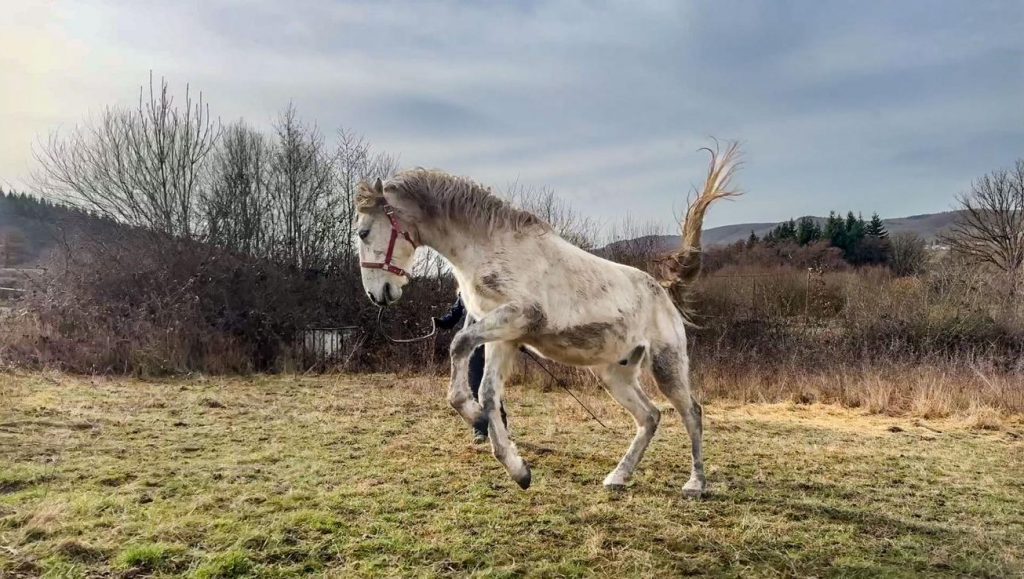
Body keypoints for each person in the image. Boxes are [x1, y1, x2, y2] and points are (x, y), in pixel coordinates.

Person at [434, 293, 507, 442]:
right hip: (472, 347)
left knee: (492, 389)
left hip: (493, 346)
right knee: (474, 388)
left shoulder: (492, 287)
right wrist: (442, 322)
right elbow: (455, 313)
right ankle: (480, 430)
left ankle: (501, 429)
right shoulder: (465, 291)